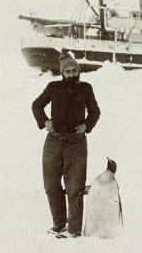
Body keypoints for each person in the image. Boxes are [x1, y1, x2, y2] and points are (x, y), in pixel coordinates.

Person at [32, 54, 101, 237]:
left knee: (75, 187)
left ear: (78, 71)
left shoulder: (85, 88)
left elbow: (95, 111)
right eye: (68, 71)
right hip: (53, 142)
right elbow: (37, 105)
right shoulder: (53, 87)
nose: (71, 74)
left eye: (74, 71)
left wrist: (87, 125)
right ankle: (59, 225)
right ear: (62, 73)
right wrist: (45, 122)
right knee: (51, 185)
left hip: (76, 143)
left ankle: (74, 230)